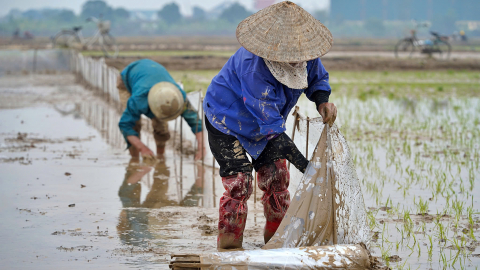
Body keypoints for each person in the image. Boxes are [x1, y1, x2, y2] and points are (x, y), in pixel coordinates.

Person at [203, 1, 337, 249]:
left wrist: (322, 100)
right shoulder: (253, 68)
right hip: (226, 119)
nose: (298, 60)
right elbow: (273, 129)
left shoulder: (305, 52)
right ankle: (229, 247)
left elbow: (316, 77)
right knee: (239, 184)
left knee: (277, 179)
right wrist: (307, 168)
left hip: (266, 124)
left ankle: (276, 242)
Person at [117, 59, 205, 160]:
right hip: (126, 79)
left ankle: (160, 158)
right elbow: (125, 125)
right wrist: (143, 148)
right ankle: (135, 159)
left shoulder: (178, 96)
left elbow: (196, 122)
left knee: (161, 126)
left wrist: (202, 148)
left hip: (151, 77)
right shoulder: (138, 100)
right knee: (134, 125)